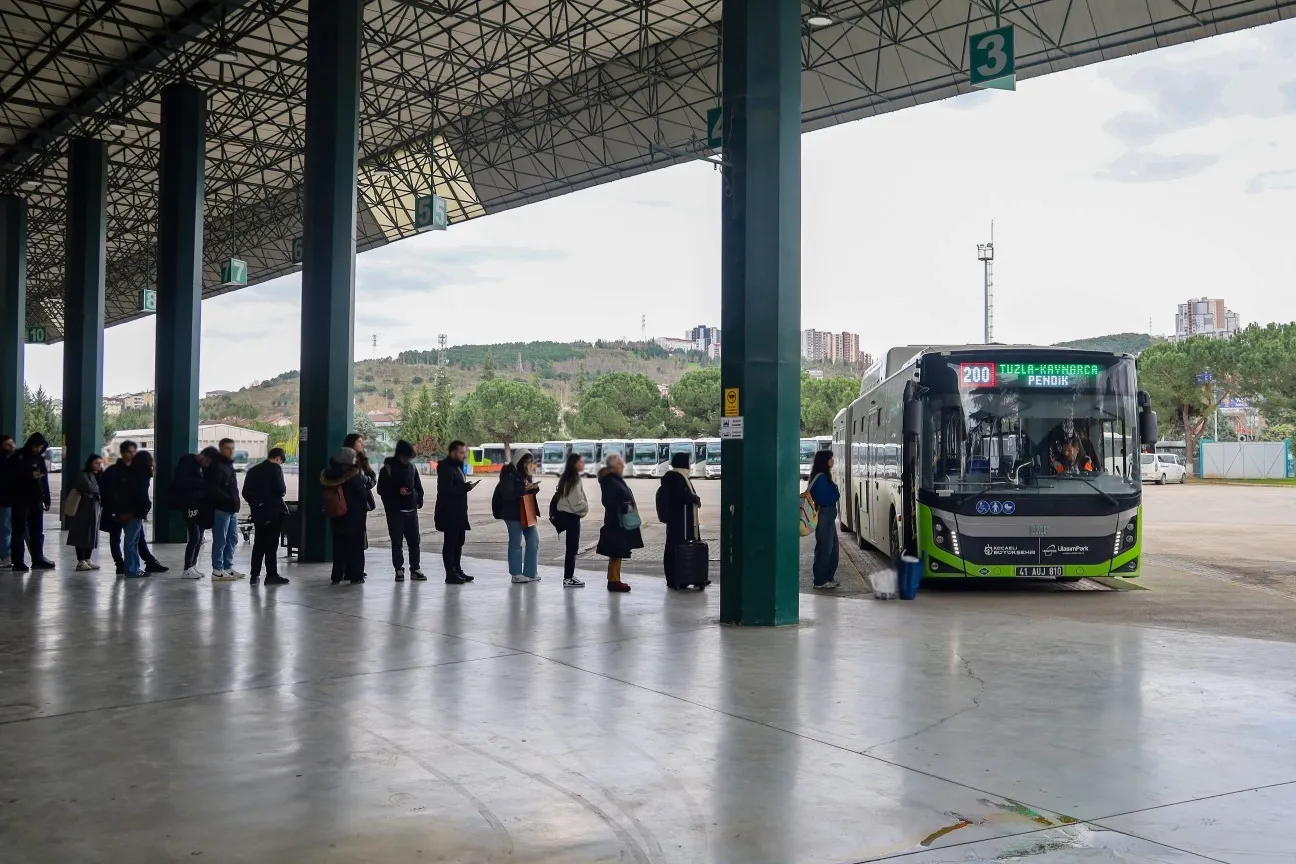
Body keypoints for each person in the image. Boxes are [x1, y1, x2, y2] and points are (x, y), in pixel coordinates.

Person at [100, 440, 166, 574]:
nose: (132, 455)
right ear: (122, 452)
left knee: (136, 538)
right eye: (129, 452)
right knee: (120, 538)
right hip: (119, 511)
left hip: (130, 511)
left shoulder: (134, 471)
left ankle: (145, 562)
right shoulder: (115, 471)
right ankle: (122, 565)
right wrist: (113, 509)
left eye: (133, 452)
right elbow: (106, 491)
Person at [378, 440, 425, 581]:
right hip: (395, 512)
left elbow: (418, 487)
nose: (408, 459)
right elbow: (381, 489)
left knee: (414, 542)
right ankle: (399, 569)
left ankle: (415, 568)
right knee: (397, 543)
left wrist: (418, 500)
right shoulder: (387, 469)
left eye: (410, 457)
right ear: (400, 455)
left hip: (412, 511)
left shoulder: (412, 468)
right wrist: (397, 492)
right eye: (406, 457)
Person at [321, 447, 370, 584]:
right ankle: (356, 576)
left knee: (339, 547)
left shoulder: (329, 474)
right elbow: (362, 495)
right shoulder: (352, 474)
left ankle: (337, 575)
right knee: (356, 548)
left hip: (336, 515)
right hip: (354, 517)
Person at [242, 447, 289, 586]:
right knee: (271, 545)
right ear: (278, 459)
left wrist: (256, 504)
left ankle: (254, 575)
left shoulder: (253, 470)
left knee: (259, 544)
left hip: (258, 513)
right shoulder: (275, 469)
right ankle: (271, 575)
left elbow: (245, 492)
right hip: (274, 512)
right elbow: (281, 490)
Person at [595, 452, 641, 593]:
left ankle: (614, 579)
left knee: (618, 551)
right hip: (616, 521)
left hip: (619, 520)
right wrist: (624, 507)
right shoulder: (610, 480)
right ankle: (614, 581)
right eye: (621, 463)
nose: (623, 465)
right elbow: (608, 501)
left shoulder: (614, 479)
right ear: (614, 465)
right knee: (616, 551)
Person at [434, 440, 478, 584]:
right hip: (449, 513)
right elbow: (447, 491)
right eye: (461, 452)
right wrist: (467, 487)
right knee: (450, 543)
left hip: (459, 512)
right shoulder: (446, 468)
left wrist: (466, 487)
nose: (464, 455)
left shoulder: (456, 467)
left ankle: (457, 570)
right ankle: (450, 573)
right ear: (453, 452)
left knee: (459, 542)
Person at [9, 432, 53, 572]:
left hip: (36, 499)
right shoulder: (18, 456)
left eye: (40, 447)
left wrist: (47, 498)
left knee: (37, 531)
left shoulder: (39, 459)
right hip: (20, 499)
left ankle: (37, 559)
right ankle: (18, 562)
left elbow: (44, 479)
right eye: (35, 446)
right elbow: (11, 476)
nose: (37, 449)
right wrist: (29, 475)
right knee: (19, 531)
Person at [496, 449, 541, 583]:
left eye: (529, 462)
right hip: (512, 513)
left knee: (533, 540)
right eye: (525, 462)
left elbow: (526, 491)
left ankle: (530, 572)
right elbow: (508, 494)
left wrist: (533, 489)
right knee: (516, 542)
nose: (527, 464)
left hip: (526, 510)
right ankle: (516, 573)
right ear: (519, 460)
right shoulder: (509, 473)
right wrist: (525, 489)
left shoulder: (525, 474)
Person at [170, 447, 215, 579]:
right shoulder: (187, 461)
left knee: (200, 537)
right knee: (194, 536)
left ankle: (193, 565)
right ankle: (187, 567)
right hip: (189, 504)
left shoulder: (200, 467)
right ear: (202, 456)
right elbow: (181, 482)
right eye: (207, 462)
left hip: (199, 504)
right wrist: (203, 483)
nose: (206, 465)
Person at [660, 451, 702, 589]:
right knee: (678, 547)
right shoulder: (676, 478)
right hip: (681, 520)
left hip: (680, 520)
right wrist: (694, 498)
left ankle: (684, 576)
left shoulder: (676, 477)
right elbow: (682, 495)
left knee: (675, 546)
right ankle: (678, 576)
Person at [207, 438, 242, 580]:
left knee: (232, 538)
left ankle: (227, 567)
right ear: (221, 449)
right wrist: (228, 498)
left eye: (233, 448)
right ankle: (217, 569)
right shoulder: (216, 465)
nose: (231, 451)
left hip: (231, 508)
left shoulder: (228, 464)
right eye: (228, 448)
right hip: (221, 508)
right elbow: (213, 487)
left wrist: (234, 500)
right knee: (220, 539)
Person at [118, 450, 155, 579]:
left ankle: (133, 568)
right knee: (132, 541)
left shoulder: (128, 474)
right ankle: (132, 570)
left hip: (124, 511)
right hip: (135, 512)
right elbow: (142, 495)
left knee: (131, 540)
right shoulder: (142, 476)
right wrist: (147, 506)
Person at [807, 450, 841, 589]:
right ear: (824, 461)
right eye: (830, 458)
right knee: (825, 548)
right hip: (825, 515)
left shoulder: (823, 476)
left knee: (832, 547)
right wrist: (836, 494)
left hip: (828, 516)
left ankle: (828, 577)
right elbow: (823, 498)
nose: (832, 461)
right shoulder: (821, 478)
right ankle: (820, 580)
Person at [553, 452, 588, 588]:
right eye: (581, 462)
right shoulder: (573, 479)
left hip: (567, 515)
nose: (583, 464)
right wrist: (585, 507)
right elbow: (576, 502)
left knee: (571, 548)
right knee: (572, 548)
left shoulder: (567, 477)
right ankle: (568, 578)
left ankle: (569, 576)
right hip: (572, 516)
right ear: (574, 464)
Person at [66, 454, 105, 570]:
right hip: (83, 508)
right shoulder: (84, 475)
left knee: (92, 533)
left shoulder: (99, 475)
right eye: (96, 463)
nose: (99, 465)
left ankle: (88, 559)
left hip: (95, 508)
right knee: (81, 533)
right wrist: (102, 489)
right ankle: (80, 561)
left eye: (100, 463)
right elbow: (89, 488)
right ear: (90, 463)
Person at [0, 434, 15, 568]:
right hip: (5, 500)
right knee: (5, 529)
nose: (11, 446)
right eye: (7, 444)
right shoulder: (5, 461)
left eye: (12, 443)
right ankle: (6, 556)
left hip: (10, 500)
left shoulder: (13, 459)